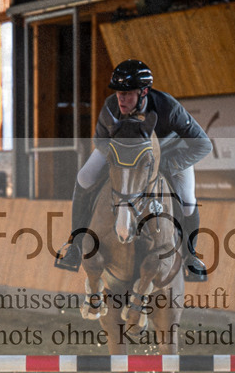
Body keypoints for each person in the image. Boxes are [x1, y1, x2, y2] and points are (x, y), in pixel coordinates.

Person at [55, 59, 211, 282]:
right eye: (119, 92)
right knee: (84, 176)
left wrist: (167, 165)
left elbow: (203, 144)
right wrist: (118, 160)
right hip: (123, 153)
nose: (121, 98)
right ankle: (75, 244)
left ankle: (190, 256)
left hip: (171, 154)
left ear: (144, 92)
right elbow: (100, 140)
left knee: (186, 199)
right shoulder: (111, 106)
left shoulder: (168, 106)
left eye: (128, 94)